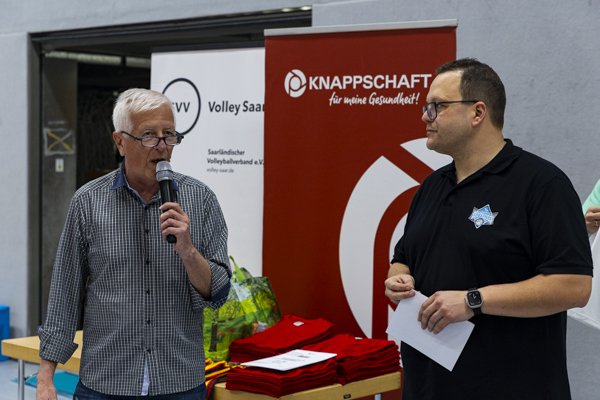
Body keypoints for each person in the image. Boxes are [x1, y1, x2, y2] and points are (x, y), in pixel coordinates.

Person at [384, 58, 592, 400]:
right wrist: (399, 278)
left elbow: (573, 286)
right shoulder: (432, 186)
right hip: (428, 386)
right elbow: (403, 257)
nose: (425, 117)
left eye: (437, 106)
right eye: (426, 107)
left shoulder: (542, 185)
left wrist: (472, 301)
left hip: (511, 387)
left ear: (477, 112)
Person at [37, 88, 231, 399]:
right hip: (106, 383)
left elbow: (218, 292)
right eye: (149, 135)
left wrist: (188, 250)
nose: (162, 146)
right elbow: (65, 292)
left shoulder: (200, 199)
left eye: (169, 135)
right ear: (120, 142)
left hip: (178, 383)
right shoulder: (88, 202)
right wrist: (46, 377)